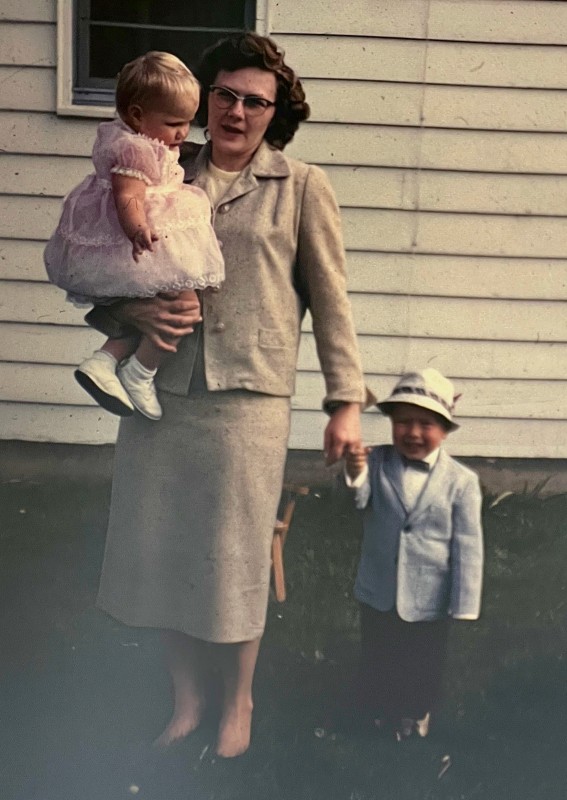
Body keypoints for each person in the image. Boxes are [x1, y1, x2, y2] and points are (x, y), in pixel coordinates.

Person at [90, 32, 366, 757]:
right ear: (204, 97)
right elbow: (96, 267)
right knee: (161, 551)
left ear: (277, 112)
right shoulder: (157, 168)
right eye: (224, 95)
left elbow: (330, 301)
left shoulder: (301, 186)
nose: (236, 111)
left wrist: (345, 401)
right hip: (160, 391)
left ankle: (236, 701)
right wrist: (131, 315)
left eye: (255, 101)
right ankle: (186, 699)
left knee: (233, 560)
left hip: (248, 399)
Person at [44, 52, 224, 420]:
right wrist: (137, 228)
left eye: (188, 123)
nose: (182, 134)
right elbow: (127, 196)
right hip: (145, 234)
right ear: (138, 115)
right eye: (174, 123)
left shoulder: (138, 138)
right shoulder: (133, 148)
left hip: (149, 234)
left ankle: (105, 360)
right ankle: (140, 371)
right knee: (186, 306)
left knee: (168, 308)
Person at [344, 368, 484, 740]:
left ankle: (415, 713)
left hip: (429, 595)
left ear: (445, 429)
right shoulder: (376, 463)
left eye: (426, 424)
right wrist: (355, 474)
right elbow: (354, 506)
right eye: (404, 422)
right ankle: (377, 711)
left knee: (422, 659)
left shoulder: (461, 482)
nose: (414, 433)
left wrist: (464, 603)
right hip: (380, 587)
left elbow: (468, 547)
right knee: (379, 651)